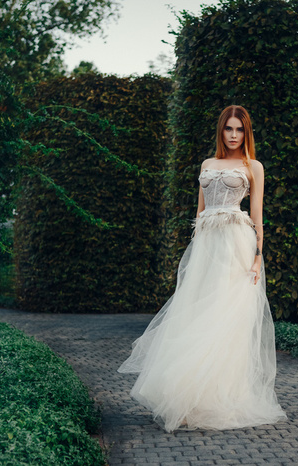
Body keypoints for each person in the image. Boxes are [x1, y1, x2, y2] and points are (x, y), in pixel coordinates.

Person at [118, 105, 287, 432]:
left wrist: (257, 256)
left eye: (240, 130)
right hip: (207, 243)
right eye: (229, 129)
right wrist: (194, 251)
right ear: (221, 131)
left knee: (224, 316)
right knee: (196, 313)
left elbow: (257, 214)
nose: (234, 135)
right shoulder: (207, 164)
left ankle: (215, 398)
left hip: (236, 241)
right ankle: (185, 396)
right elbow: (199, 211)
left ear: (246, 133)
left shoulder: (254, 166)